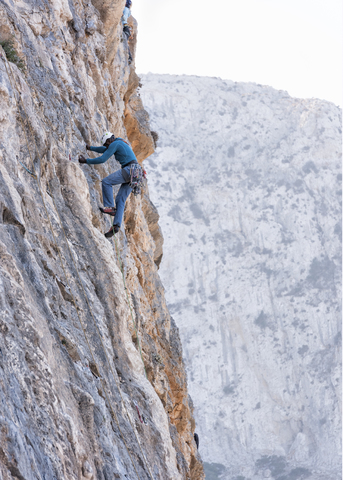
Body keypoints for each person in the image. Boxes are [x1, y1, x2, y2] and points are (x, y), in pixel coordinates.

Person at [78, 132, 138, 238]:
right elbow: (104, 150)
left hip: (129, 169)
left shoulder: (115, 144)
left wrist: (85, 161)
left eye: (106, 144)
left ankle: (110, 207)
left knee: (106, 182)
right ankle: (116, 225)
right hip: (136, 174)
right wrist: (90, 148)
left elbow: (102, 159)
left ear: (109, 140)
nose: (106, 146)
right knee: (120, 200)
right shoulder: (119, 143)